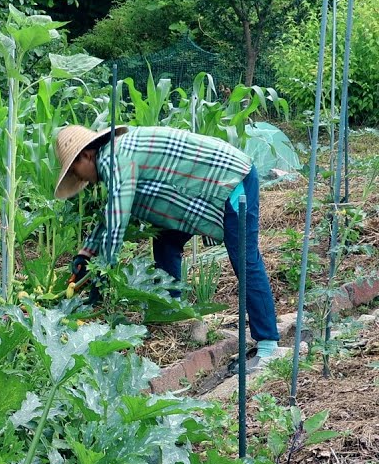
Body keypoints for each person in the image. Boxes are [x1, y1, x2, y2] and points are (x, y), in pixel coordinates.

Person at [53, 124, 282, 369]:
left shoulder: (113, 159)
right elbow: (111, 212)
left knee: (245, 260)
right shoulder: (115, 156)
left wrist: (101, 276)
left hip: (230, 182)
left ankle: (268, 345)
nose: (78, 178)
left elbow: (116, 224)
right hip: (193, 195)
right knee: (165, 243)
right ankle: (171, 312)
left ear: (87, 155)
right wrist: (86, 253)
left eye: (75, 170)